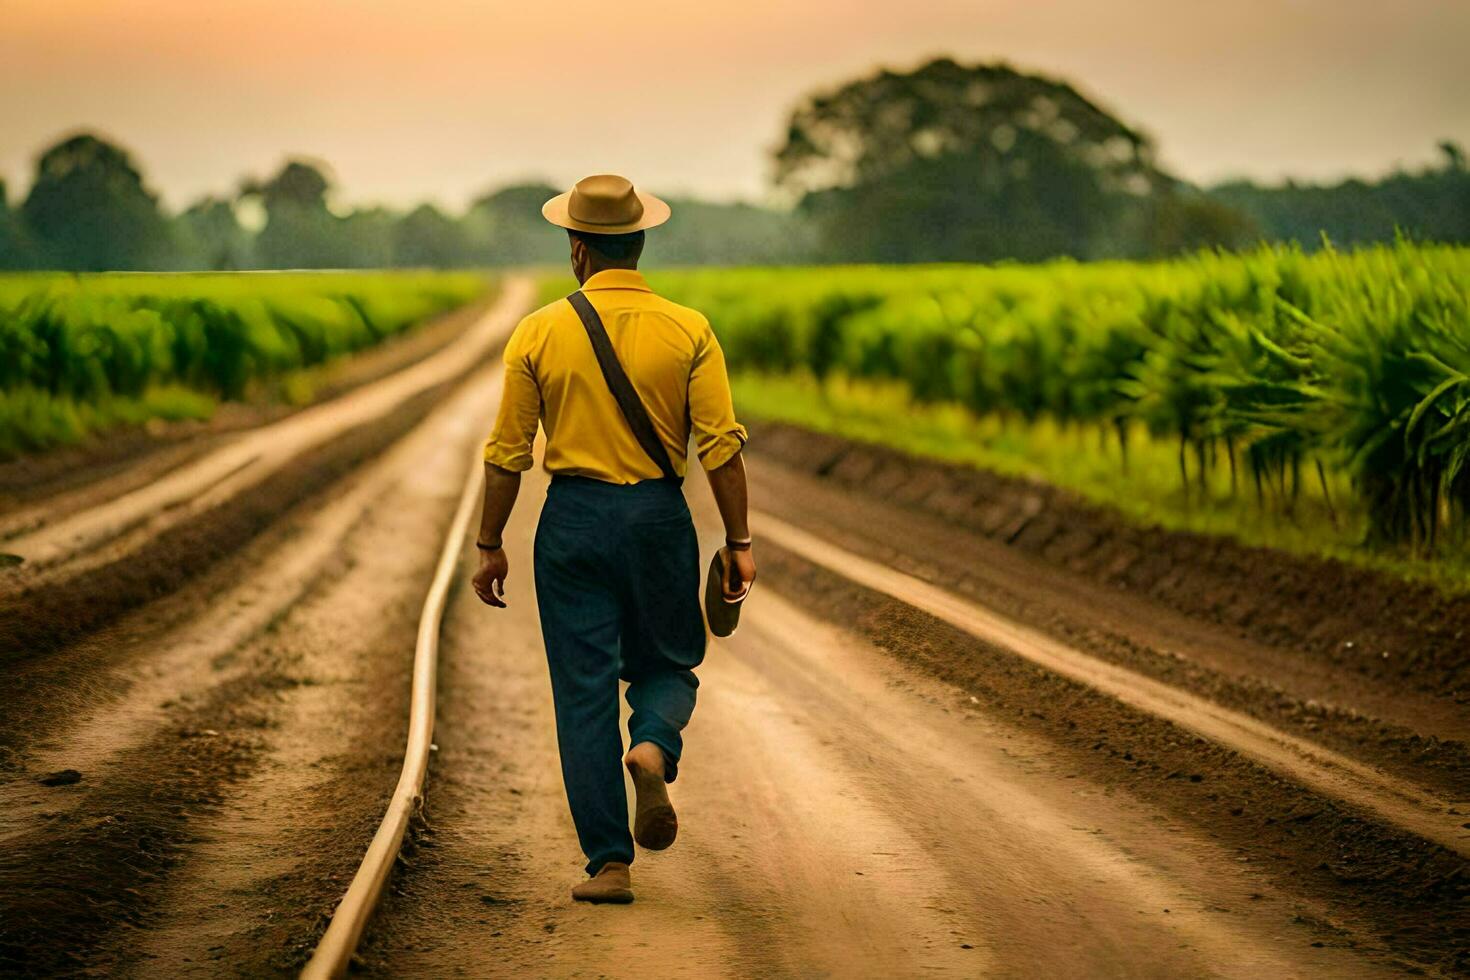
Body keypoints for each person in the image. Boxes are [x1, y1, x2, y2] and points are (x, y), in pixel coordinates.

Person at [471, 174, 756, 904]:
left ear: (576, 249)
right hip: (660, 519)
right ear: (638, 243)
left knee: (583, 691)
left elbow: (507, 451)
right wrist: (739, 538)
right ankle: (654, 745)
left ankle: (609, 863)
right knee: (668, 658)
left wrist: (489, 542)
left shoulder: (538, 330)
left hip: (572, 522)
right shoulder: (688, 328)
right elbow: (721, 445)